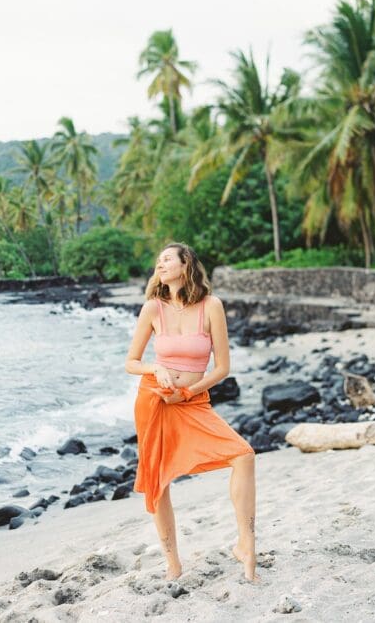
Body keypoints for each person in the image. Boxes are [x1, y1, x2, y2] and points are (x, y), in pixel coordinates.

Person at [125, 242, 258, 582]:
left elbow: (222, 368)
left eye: (167, 258)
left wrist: (186, 393)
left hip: (191, 401)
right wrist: (156, 369)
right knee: (160, 482)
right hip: (155, 401)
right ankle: (173, 563)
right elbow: (131, 363)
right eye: (158, 260)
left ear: (186, 265)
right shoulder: (152, 309)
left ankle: (245, 541)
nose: (160, 263)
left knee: (243, 455)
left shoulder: (211, 306)